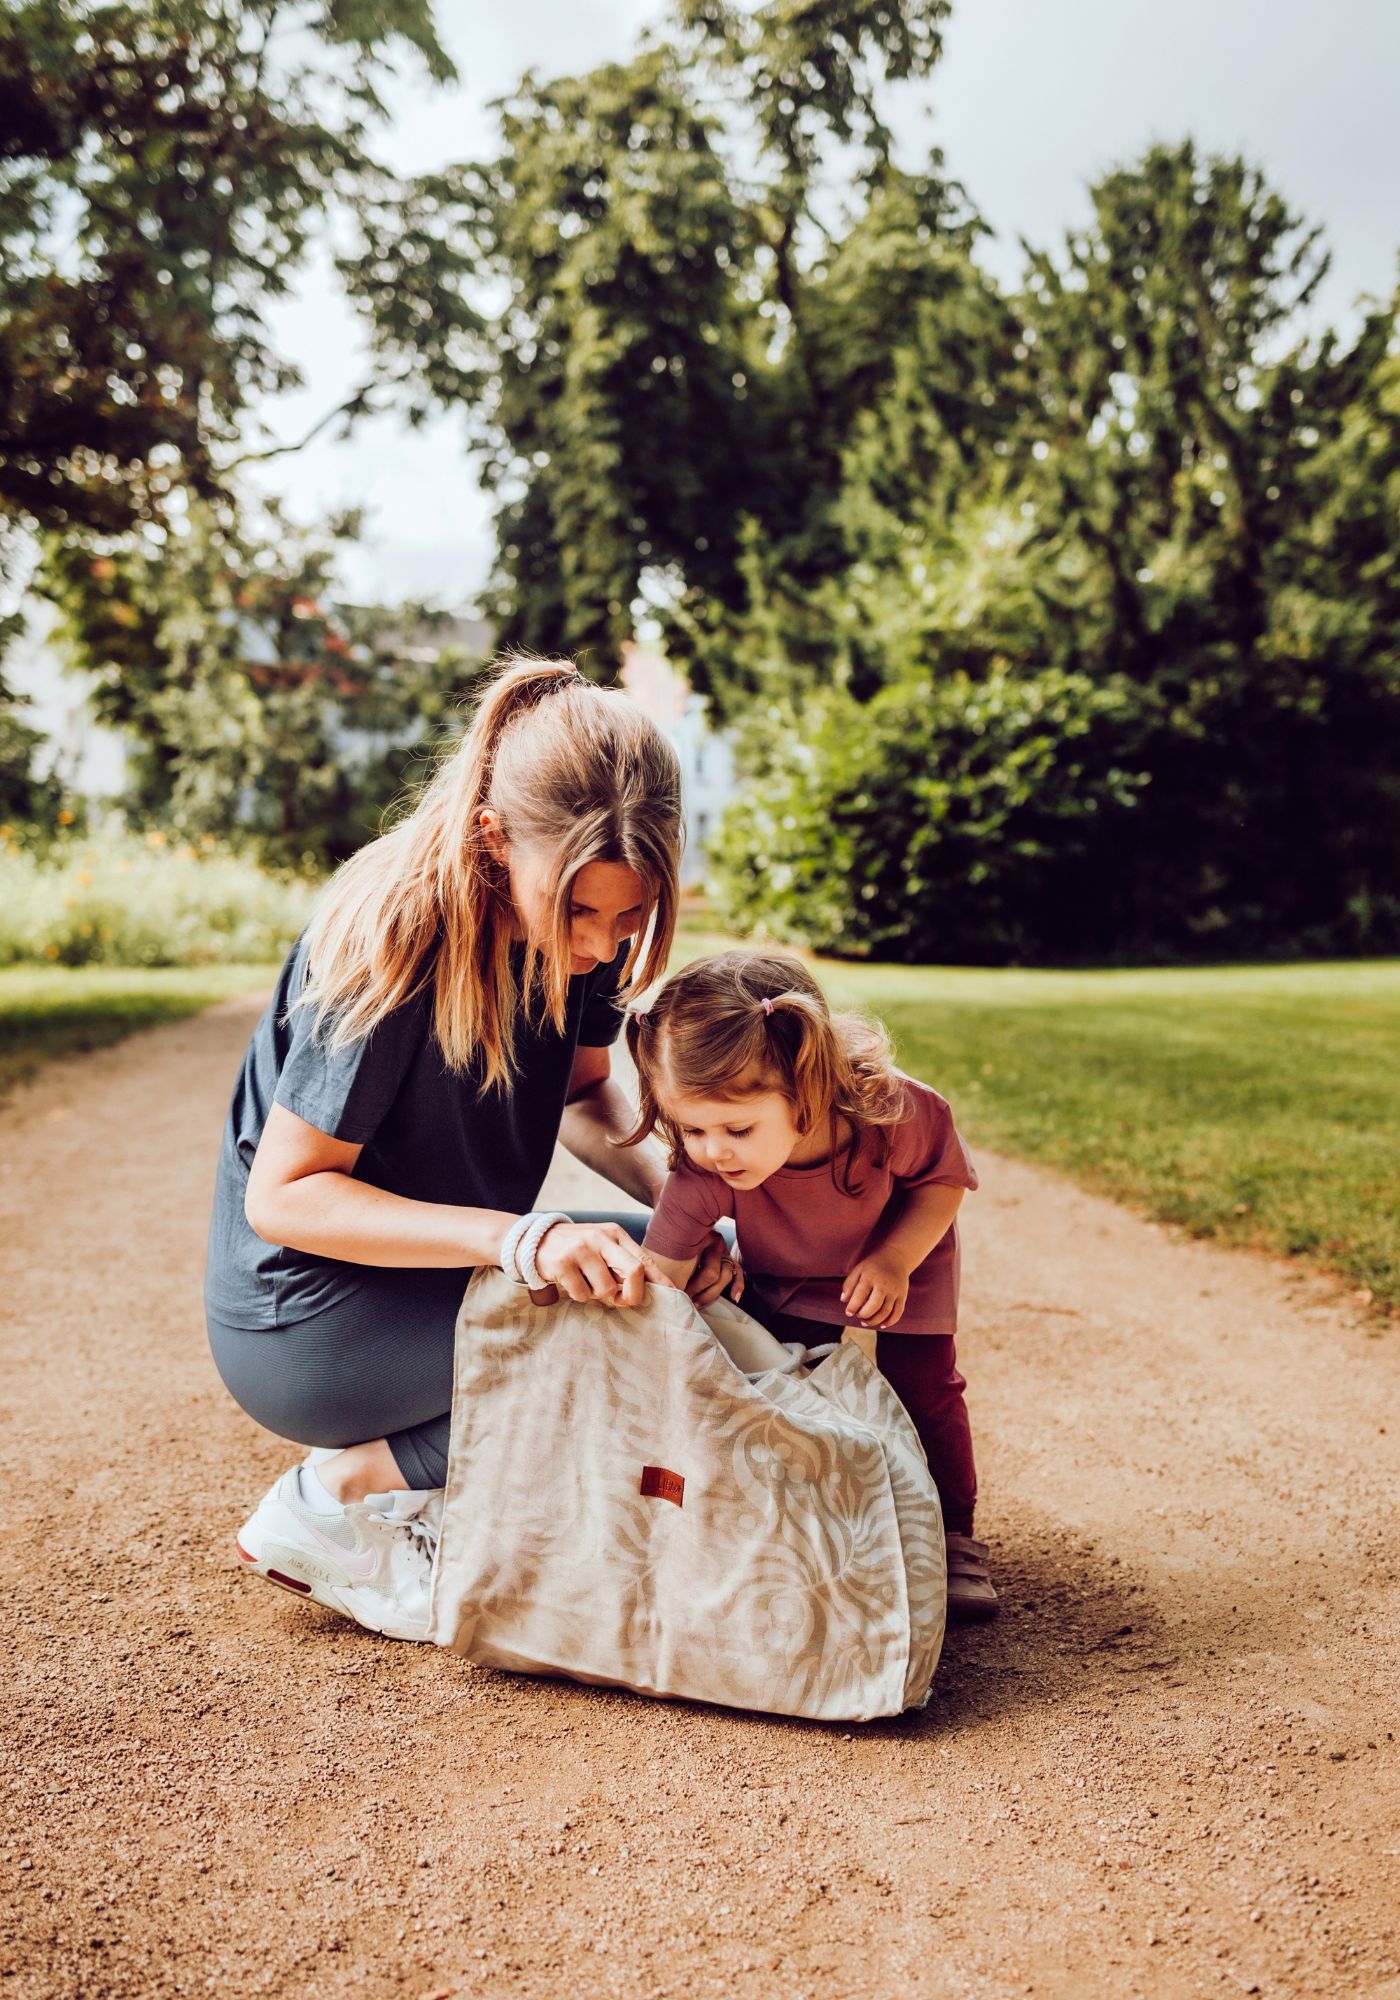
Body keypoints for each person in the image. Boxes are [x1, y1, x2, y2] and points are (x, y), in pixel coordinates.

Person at [205, 659, 735, 1642]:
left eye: (628, 917)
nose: (603, 943)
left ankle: (430, 1487)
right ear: (495, 839)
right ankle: (337, 1500)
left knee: (676, 1274)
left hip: (439, 1271)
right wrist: (518, 1240)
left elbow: (583, 1096)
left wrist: (697, 1203)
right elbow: (284, 1196)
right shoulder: (392, 932)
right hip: (307, 1315)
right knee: (612, 1321)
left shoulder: (589, 931)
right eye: (580, 912)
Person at [620, 948, 999, 1623]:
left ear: (807, 1084)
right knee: (788, 1394)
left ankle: (951, 1537)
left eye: (737, 1128)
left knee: (926, 1389)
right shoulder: (701, 1169)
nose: (714, 1151)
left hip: (902, 1258)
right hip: (788, 1272)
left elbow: (943, 1181)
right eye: (693, 1128)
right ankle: (818, 1522)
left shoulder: (889, 1108)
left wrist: (894, 1259)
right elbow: (663, 1282)